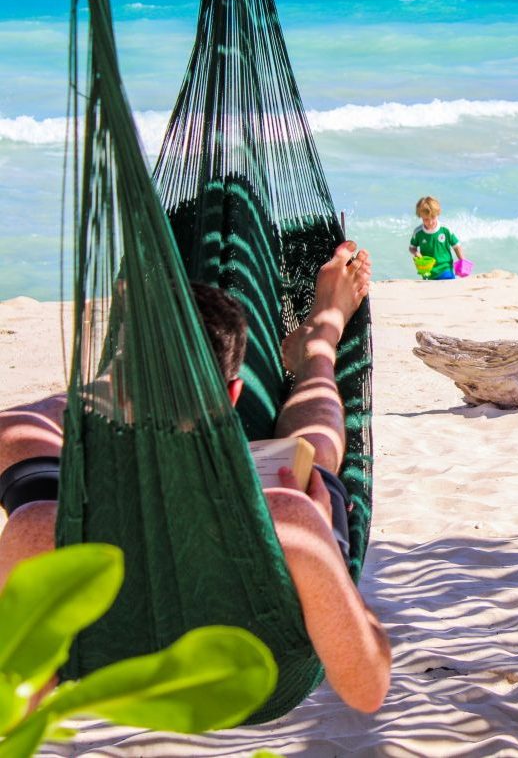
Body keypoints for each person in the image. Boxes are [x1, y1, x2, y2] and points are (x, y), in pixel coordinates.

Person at [0, 241, 390, 714]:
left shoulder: (39, 530)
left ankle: (132, 381)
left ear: (115, 387)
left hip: (110, 642)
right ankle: (317, 346)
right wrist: (323, 535)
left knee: (19, 432)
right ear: (233, 395)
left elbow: (19, 700)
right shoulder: (292, 522)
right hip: (260, 672)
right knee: (316, 453)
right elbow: (367, 689)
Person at [408, 195, 465, 280]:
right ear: (421, 217)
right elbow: (412, 247)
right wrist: (416, 253)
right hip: (427, 271)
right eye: (426, 219)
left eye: (433, 218)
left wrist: (462, 261)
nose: (430, 222)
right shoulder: (418, 232)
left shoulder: (445, 230)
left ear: (437, 214)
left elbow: (456, 246)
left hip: (445, 269)